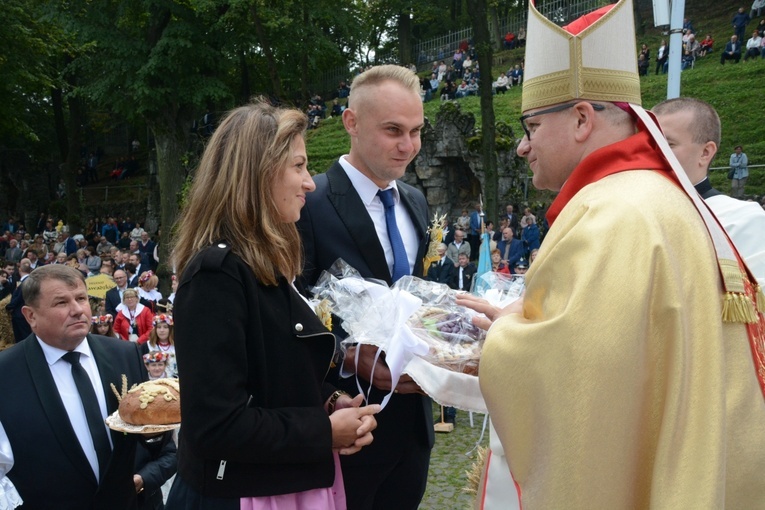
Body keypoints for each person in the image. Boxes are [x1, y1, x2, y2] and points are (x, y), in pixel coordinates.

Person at [457, 0, 765, 507]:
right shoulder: (651, 197)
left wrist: (499, 339)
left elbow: (579, 378)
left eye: (532, 127)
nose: (521, 146)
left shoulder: (612, 214)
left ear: (582, 118)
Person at [166, 100, 379, 508]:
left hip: (276, 484)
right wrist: (323, 430)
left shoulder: (261, 264)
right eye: (298, 167)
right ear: (257, 176)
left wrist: (331, 400)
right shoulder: (217, 275)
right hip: (236, 495)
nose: (310, 182)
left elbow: (271, 378)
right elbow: (215, 425)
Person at [296, 65, 433, 510]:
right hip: (347, 420)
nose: (407, 145)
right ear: (351, 123)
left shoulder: (414, 200)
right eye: (393, 130)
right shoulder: (308, 201)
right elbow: (287, 311)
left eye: (416, 131)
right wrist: (348, 355)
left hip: (414, 423)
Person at [0, 264, 169, 509]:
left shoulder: (125, 355)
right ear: (30, 316)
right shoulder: (6, 374)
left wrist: (142, 479)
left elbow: (163, 448)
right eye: (61, 303)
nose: (78, 310)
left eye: (81, 298)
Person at [653, 97, 765, 284]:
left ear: (705, 153)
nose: (651, 152)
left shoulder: (742, 220)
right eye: (648, 143)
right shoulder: (625, 211)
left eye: (668, 144)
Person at [141, 313, 177, 378]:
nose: (162, 330)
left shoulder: (177, 346)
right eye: (159, 327)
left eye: (165, 327)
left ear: (171, 329)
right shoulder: (146, 346)